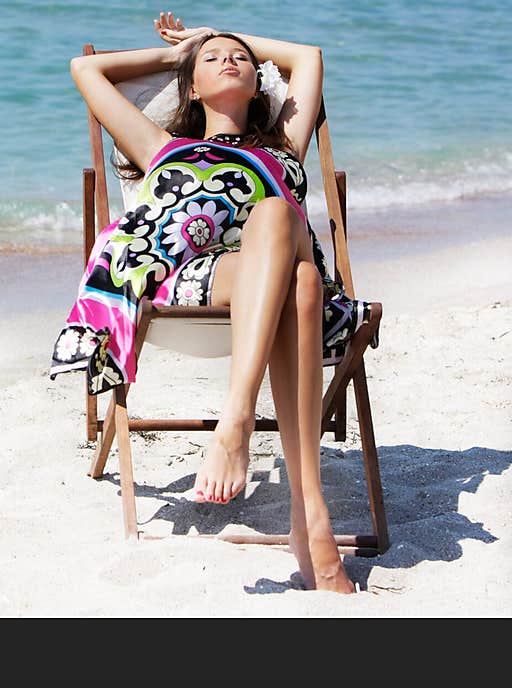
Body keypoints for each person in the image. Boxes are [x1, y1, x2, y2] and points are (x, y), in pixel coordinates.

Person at [50, 11, 360, 593]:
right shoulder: (160, 144)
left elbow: (308, 58)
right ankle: (302, 507)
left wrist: (213, 35)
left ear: (259, 79)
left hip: (275, 277)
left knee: (285, 238)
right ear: (192, 86)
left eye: (241, 56)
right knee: (301, 278)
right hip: (191, 282)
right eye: (214, 58)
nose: (231, 59)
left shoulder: (286, 142)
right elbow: (86, 69)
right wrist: (180, 54)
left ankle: (256, 444)